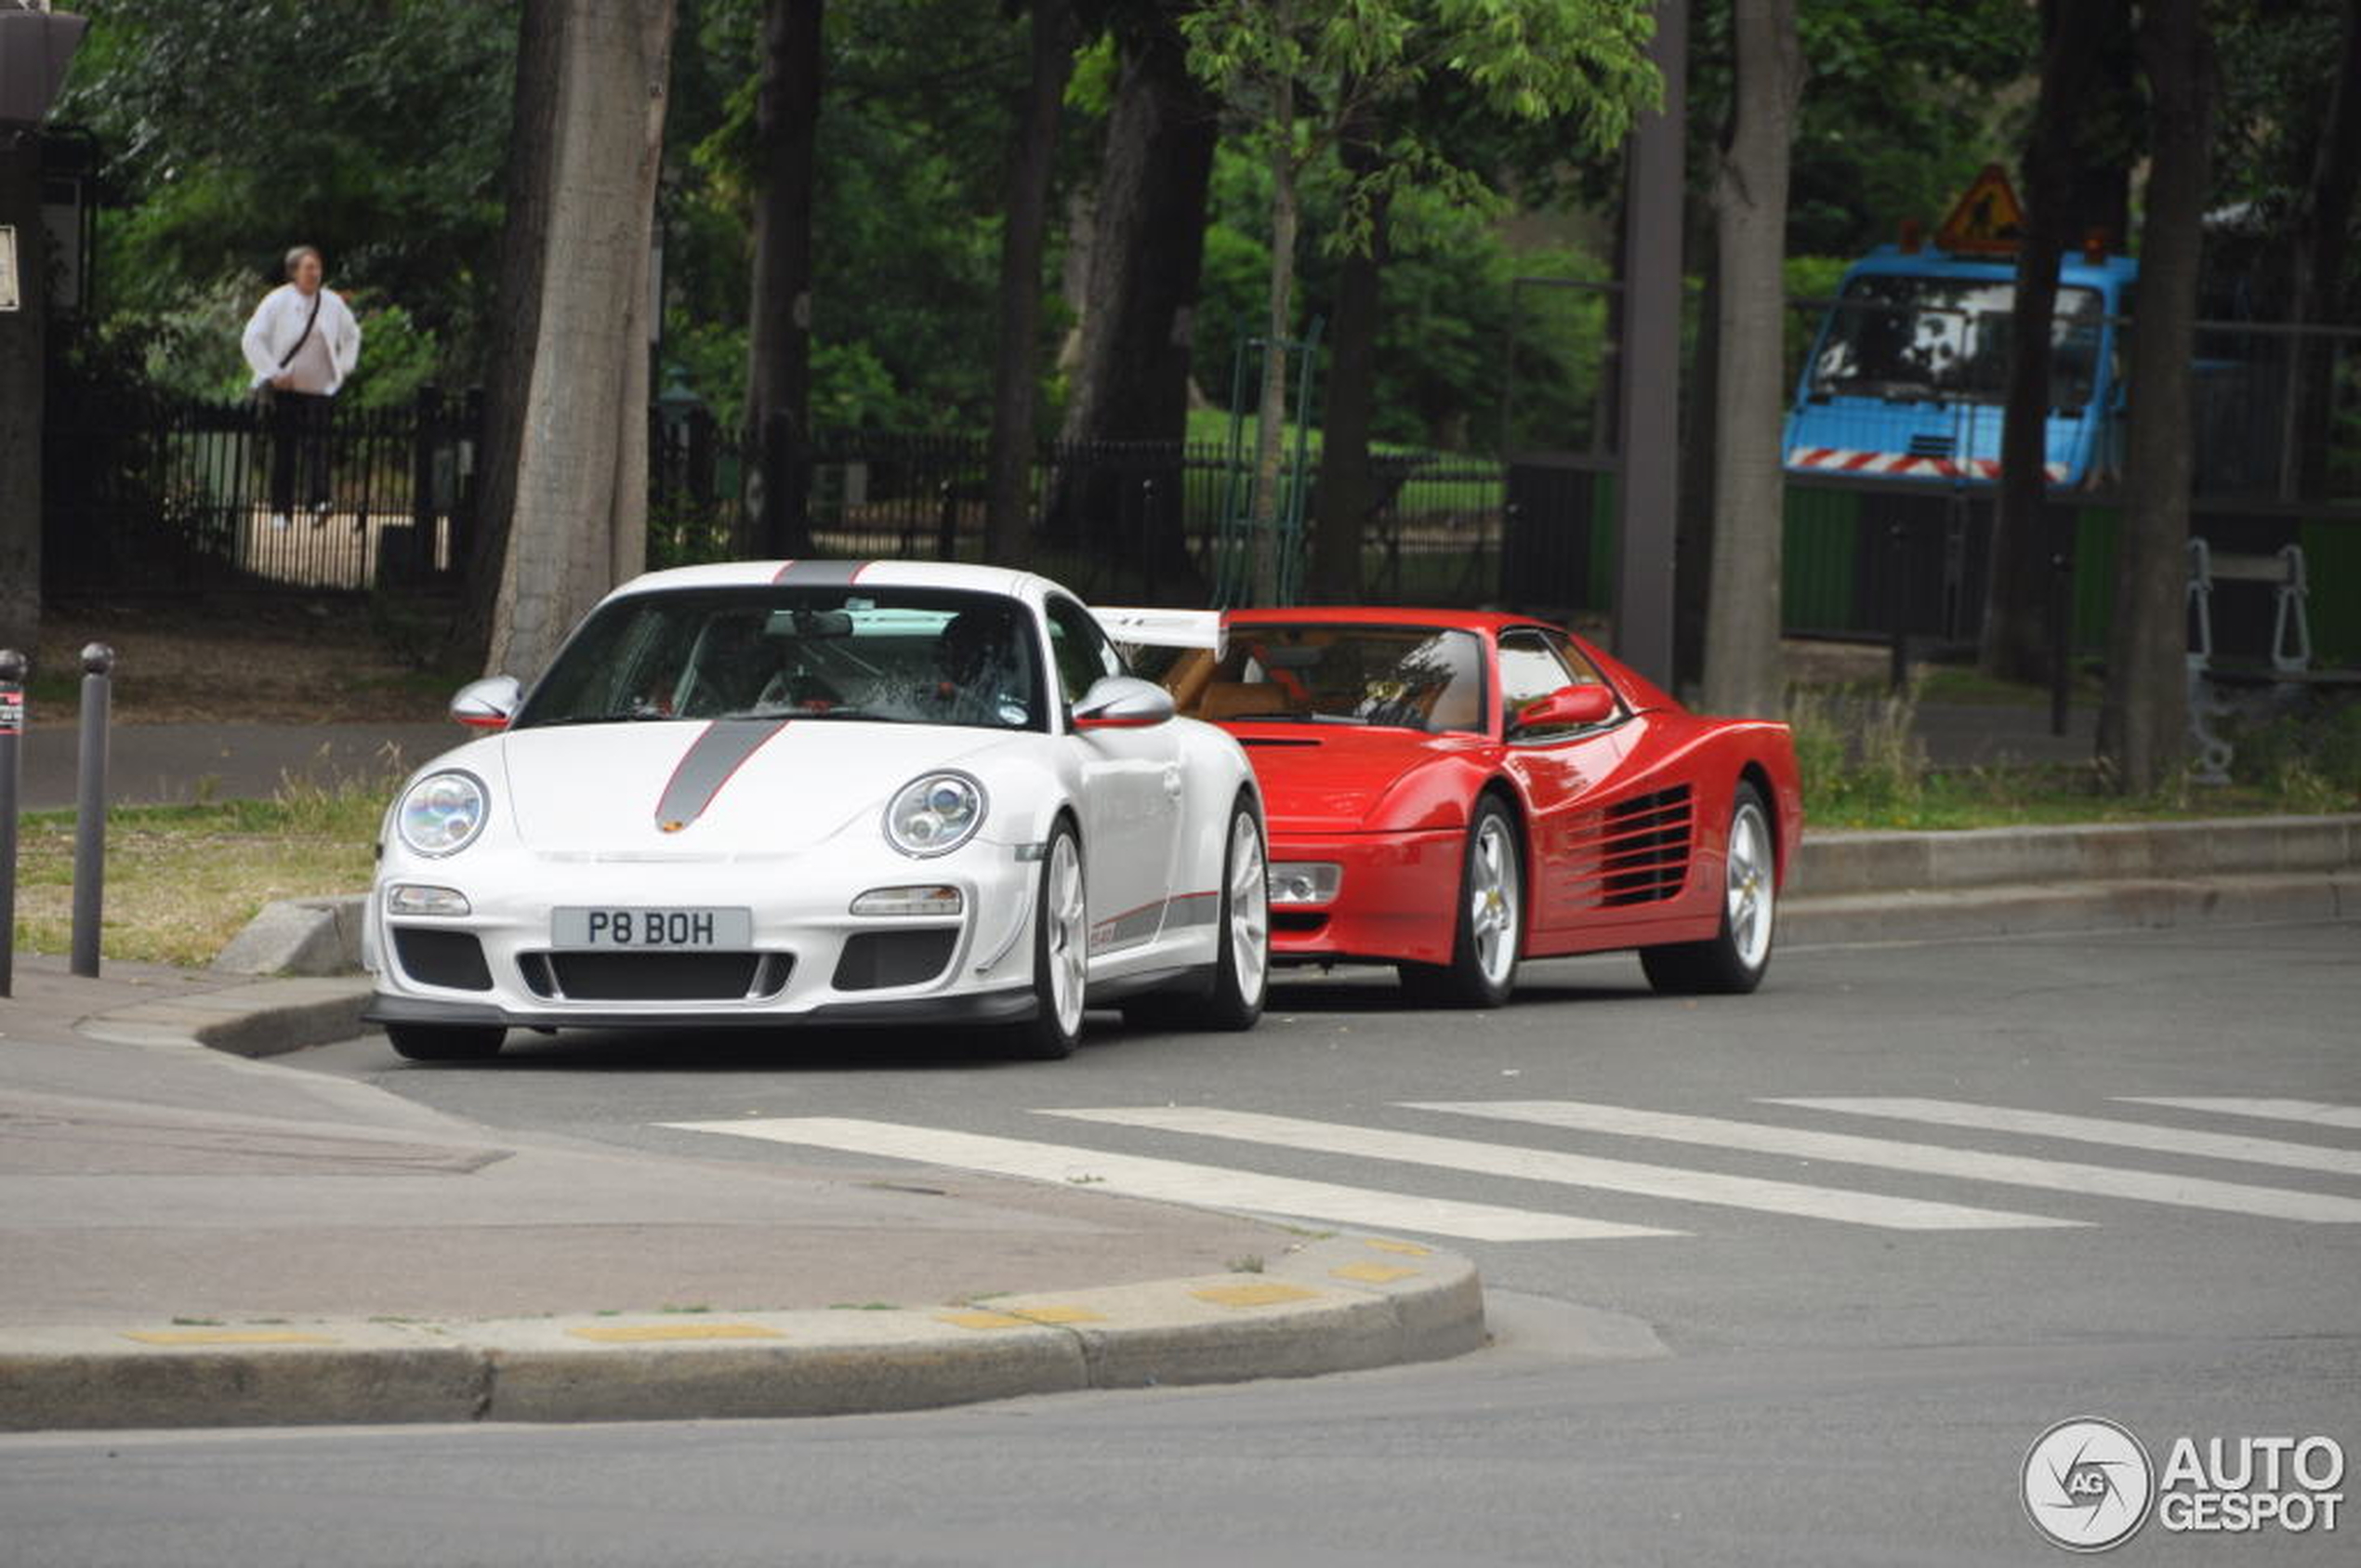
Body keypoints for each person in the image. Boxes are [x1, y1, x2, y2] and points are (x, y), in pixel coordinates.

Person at [240, 245, 362, 530]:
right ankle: (280, 511)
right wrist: (272, 371)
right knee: (285, 449)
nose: (314, 273)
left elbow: (351, 335)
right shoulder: (277, 301)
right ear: (294, 272)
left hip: (320, 388)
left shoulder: (332, 303)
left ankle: (319, 500)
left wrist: (344, 367)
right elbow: (252, 339)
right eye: (308, 267)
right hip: (287, 388)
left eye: (317, 267)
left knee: (318, 446)